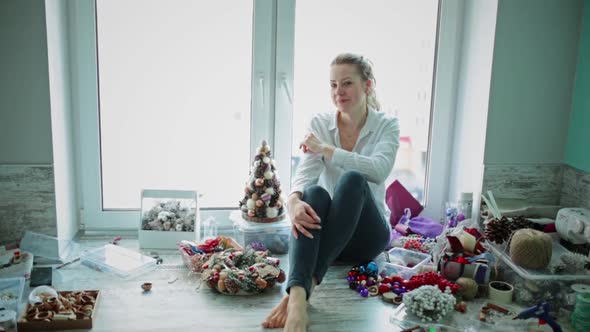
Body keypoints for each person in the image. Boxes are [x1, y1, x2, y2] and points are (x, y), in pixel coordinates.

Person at [262, 53, 400, 331]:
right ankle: (298, 297)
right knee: (313, 193)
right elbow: (306, 172)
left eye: (347, 83)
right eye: (333, 84)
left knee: (352, 180)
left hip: (367, 239)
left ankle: (303, 286)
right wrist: (293, 201)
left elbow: (378, 170)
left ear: (368, 86)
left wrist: (326, 149)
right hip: (328, 237)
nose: (339, 92)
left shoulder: (387, 125)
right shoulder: (319, 123)